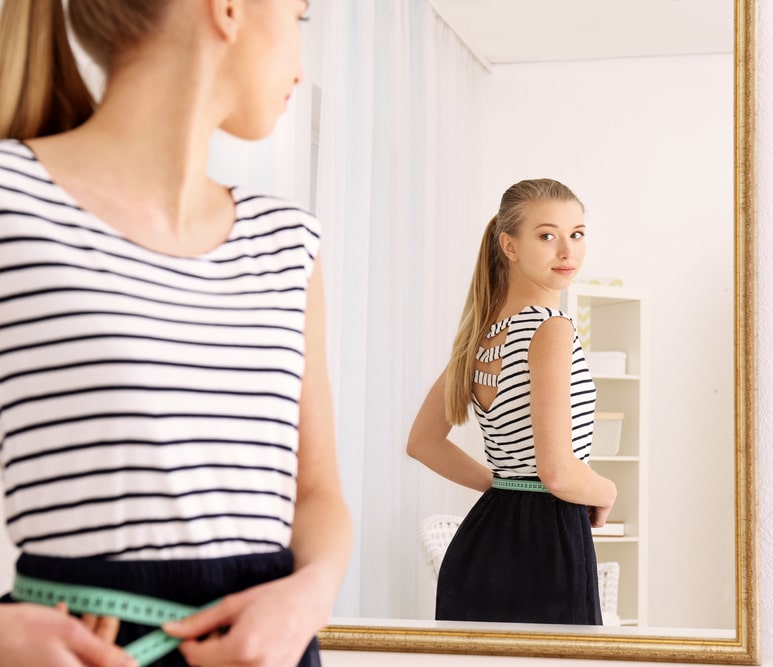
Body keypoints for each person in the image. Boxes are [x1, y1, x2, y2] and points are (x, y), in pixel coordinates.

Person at [0, 1, 352, 665]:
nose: (302, 66)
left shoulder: (288, 244)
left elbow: (319, 492)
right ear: (226, 9)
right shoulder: (11, 201)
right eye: (299, 18)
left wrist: (308, 596)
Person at [407, 178, 617, 625]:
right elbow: (558, 472)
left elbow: (422, 442)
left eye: (576, 234)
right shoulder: (552, 328)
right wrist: (606, 490)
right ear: (510, 245)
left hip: (481, 544)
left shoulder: (480, 340)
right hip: (547, 547)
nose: (568, 251)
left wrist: (505, 487)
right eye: (547, 235)